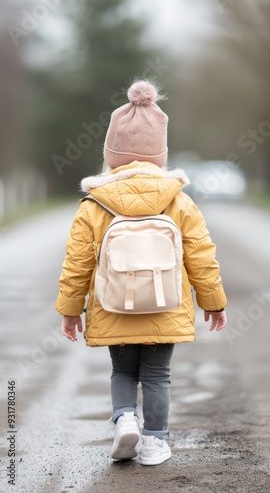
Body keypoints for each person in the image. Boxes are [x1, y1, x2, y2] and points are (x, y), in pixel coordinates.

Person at [56, 79, 227, 466]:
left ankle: (125, 419)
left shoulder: (93, 204)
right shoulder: (178, 200)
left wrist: (70, 309)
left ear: (112, 155)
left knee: (122, 371)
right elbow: (202, 256)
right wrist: (213, 302)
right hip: (164, 305)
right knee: (156, 376)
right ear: (160, 155)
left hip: (114, 306)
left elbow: (77, 262)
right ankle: (153, 441)